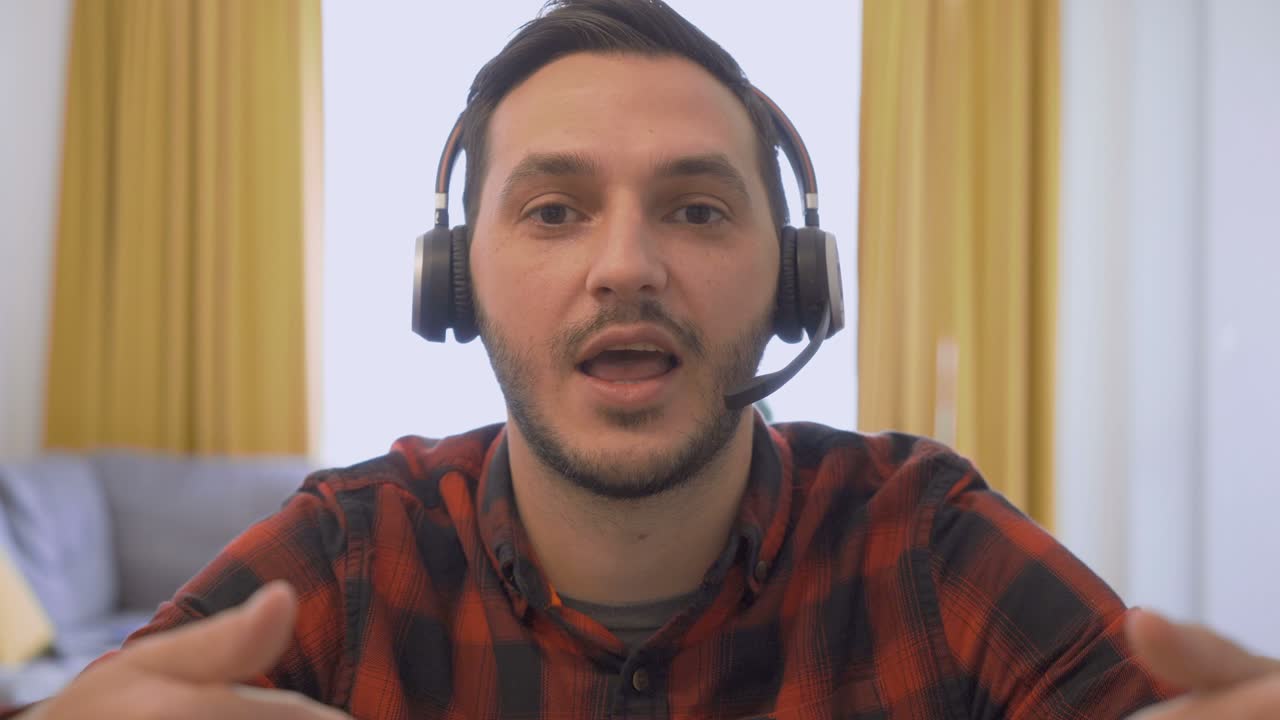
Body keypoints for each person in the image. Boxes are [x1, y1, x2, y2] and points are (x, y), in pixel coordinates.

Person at [10, 1, 1280, 718]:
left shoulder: (921, 537)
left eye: (696, 207)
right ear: (454, 282)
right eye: (553, 211)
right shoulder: (355, 549)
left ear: (793, 282)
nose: (625, 265)